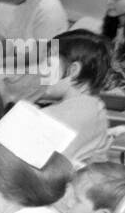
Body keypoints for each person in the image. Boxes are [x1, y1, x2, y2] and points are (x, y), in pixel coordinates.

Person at [38, 29, 111, 165]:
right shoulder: (94, 106)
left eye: (47, 64)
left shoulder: (66, 115)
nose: (40, 70)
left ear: (73, 71)